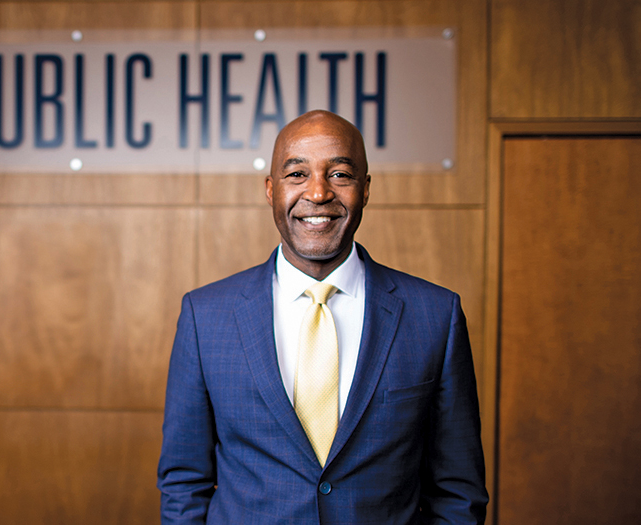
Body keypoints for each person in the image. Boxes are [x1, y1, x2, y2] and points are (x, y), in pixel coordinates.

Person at [157, 110, 488, 524]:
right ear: (270, 189)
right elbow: (184, 484)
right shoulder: (205, 317)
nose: (317, 193)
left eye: (340, 175)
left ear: (365, 190)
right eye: (297, 174)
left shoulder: (436, 316)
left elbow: (458, 490)